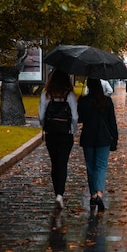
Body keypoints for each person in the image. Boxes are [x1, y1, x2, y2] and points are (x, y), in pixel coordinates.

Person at [39, 69, 78, 210]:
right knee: (63, 162)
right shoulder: (70, 95)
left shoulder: (46, 95)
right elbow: (74, 117)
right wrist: (73, 129)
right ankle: (60, 194)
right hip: (66, 134)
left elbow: (41, 116)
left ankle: (57, 192)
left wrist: (46, 127)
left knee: (54, 163)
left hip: (51, 133)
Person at [78, 77, 118, 212]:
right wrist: (115, 139)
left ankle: (93, 194)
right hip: (104, 138)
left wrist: (81, 102)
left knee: (90, 166)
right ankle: (99, 194)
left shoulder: (84, 101)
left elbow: (80, 119)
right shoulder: (107, 101)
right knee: (101, 166)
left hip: (88, 137)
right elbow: (112, 122)